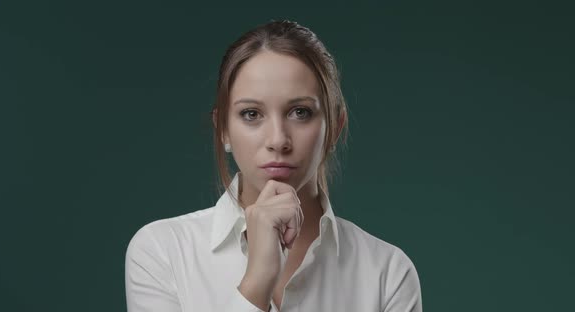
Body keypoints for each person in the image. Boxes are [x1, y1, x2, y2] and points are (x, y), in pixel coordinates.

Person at [125, 20, 422, 312]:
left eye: (300, 112)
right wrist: (257, 282)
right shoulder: (162, 252)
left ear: (335, 127)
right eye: (252, 114)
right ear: (223, 129)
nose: (278, 140)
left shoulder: (387, 273)